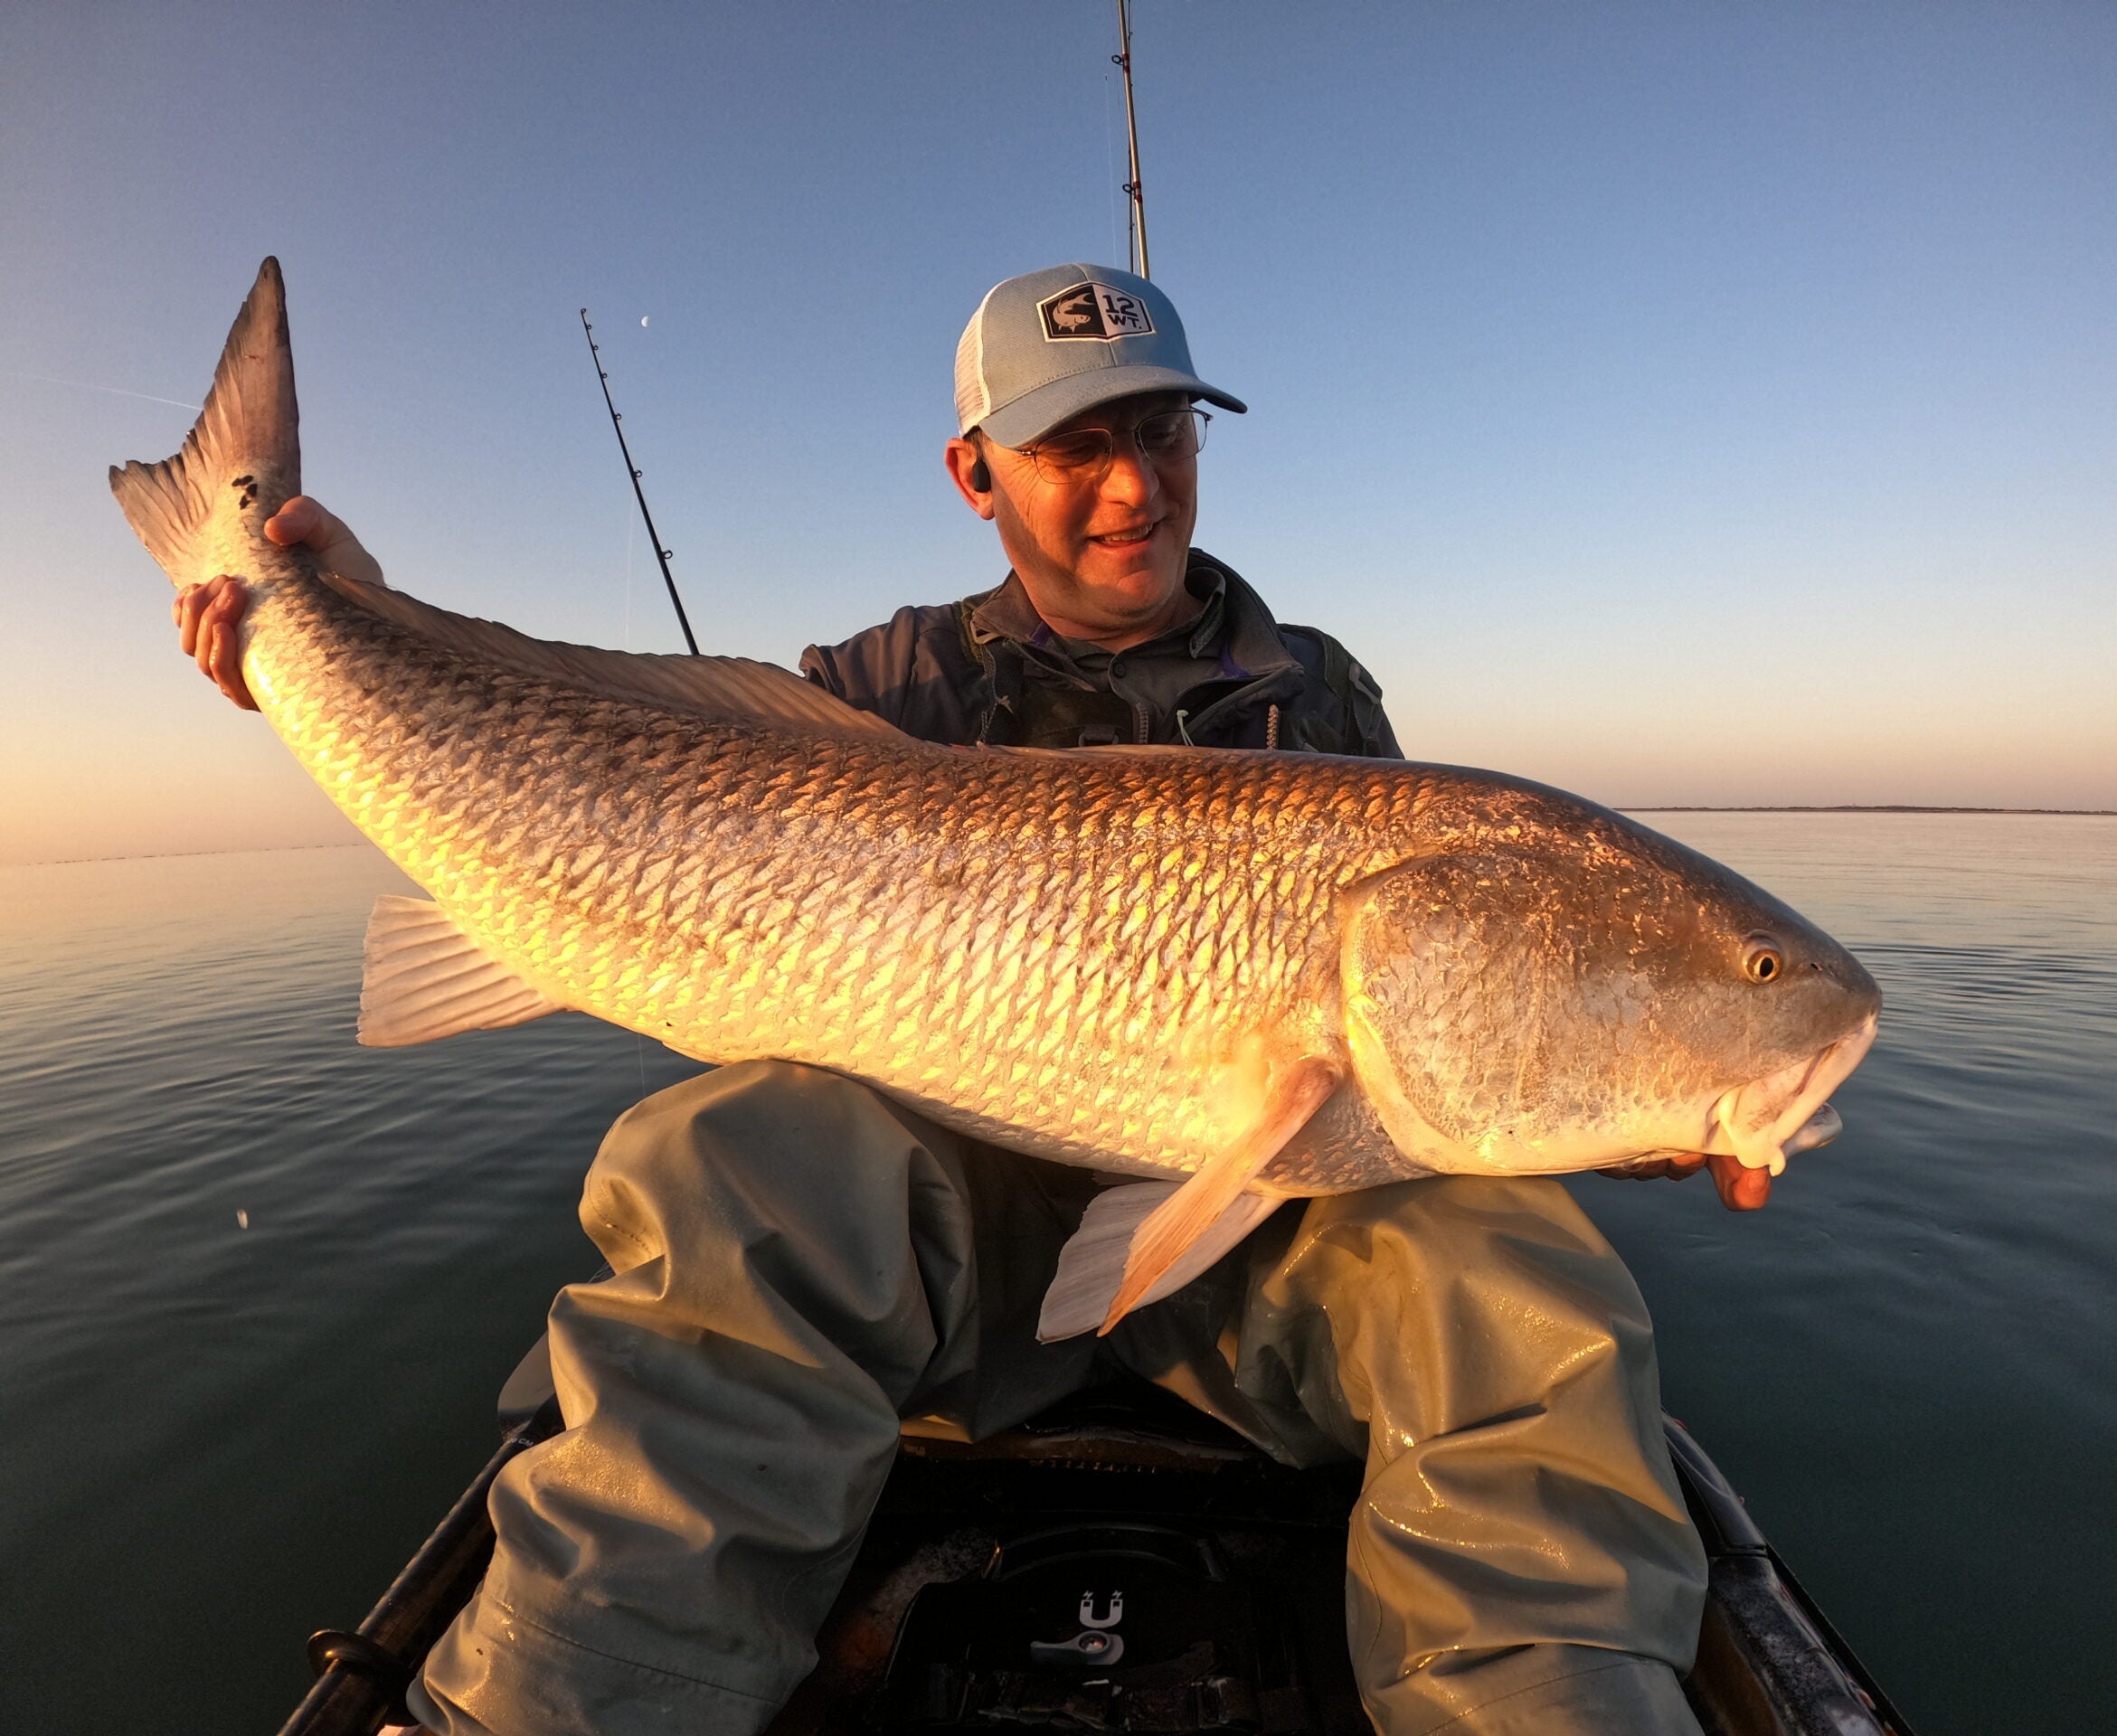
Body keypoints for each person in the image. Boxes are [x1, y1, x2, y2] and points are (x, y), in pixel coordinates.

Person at [177, 264, 1772, 1736]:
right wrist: (345, 615)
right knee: (729, 1157)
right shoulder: (881, 688)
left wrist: (1641, 1097)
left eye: (1162, 431)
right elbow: (593, 742)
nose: (1135, 486)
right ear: (976, 473)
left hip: (1274, 1240)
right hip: (945, 1242)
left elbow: (1464, 1020)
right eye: (1076, 445)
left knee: (1516, 1266)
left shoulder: (1321, 695)